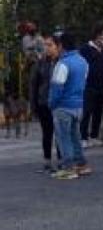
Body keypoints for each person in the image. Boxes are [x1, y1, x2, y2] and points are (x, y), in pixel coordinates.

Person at [47, 32, 92, 180]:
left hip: (63, 106)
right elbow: (84, 83)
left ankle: (68, 168)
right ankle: (81, 164)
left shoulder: (63, 64)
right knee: (75, 136)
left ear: (61, 45)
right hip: (78, 105)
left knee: (64, 138)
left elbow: (56, 88)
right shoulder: (82, 61)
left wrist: (52, 104)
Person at [79, 25, 103, 148]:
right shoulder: (85, 49)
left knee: (98, 112)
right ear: (98, 36)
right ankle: (83, 137)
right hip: (89, 85)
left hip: (102, 85)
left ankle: (94, 136)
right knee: (87, 111)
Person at [30, 34, 59, 172]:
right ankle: (47, 162)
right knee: (47, 133)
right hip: (44, 103)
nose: (46, 48)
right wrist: (33, 105)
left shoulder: (62, 62)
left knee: (60, 133)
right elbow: (33, 85)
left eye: (50, 45)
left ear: (57, 46)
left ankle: (61, 161)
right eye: (45, 45)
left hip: (59, 104)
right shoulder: (40, 63)